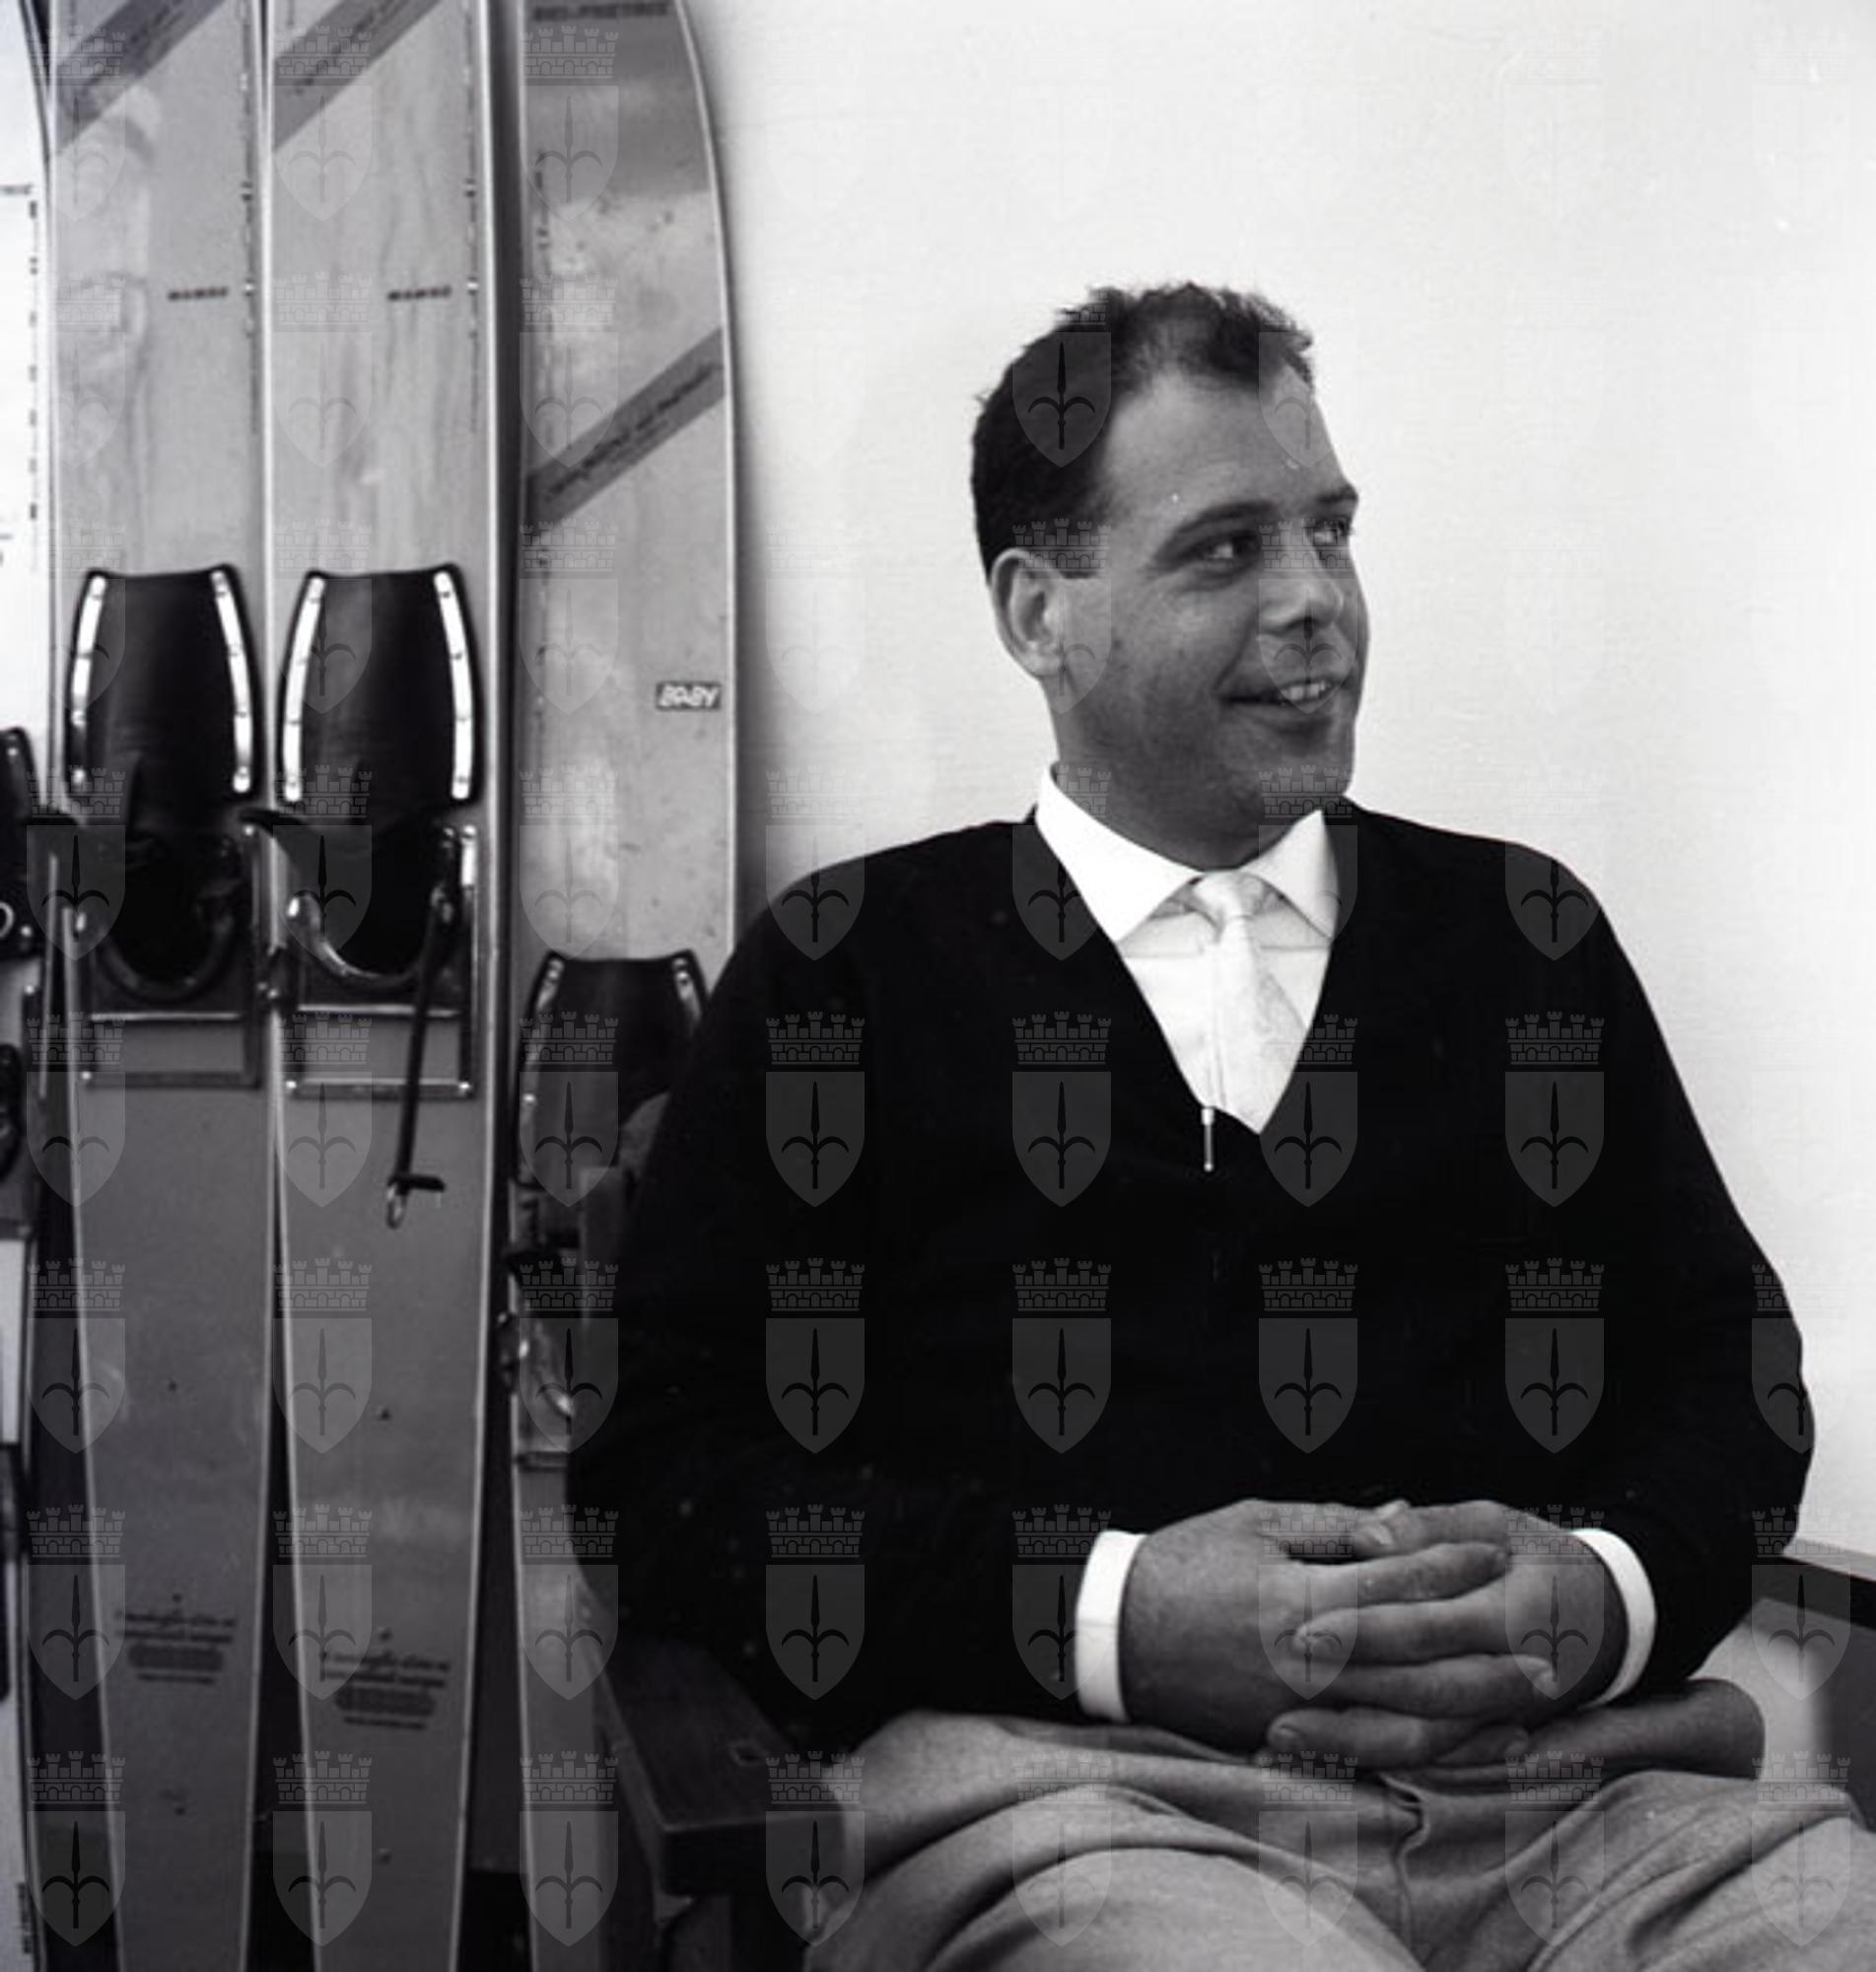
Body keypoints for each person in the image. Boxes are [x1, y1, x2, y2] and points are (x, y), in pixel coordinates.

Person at [574, 284, 1873, 1968]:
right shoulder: (847, 973)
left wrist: (1603, 1592)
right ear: (1040, 614)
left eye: (1331, 532)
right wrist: (1110, 1612)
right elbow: (669, 1486)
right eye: (1226, 549)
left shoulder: (1525, 939)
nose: (1316, 599)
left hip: (1588, 1804)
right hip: (1076, 1811)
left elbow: (1728, 1374)